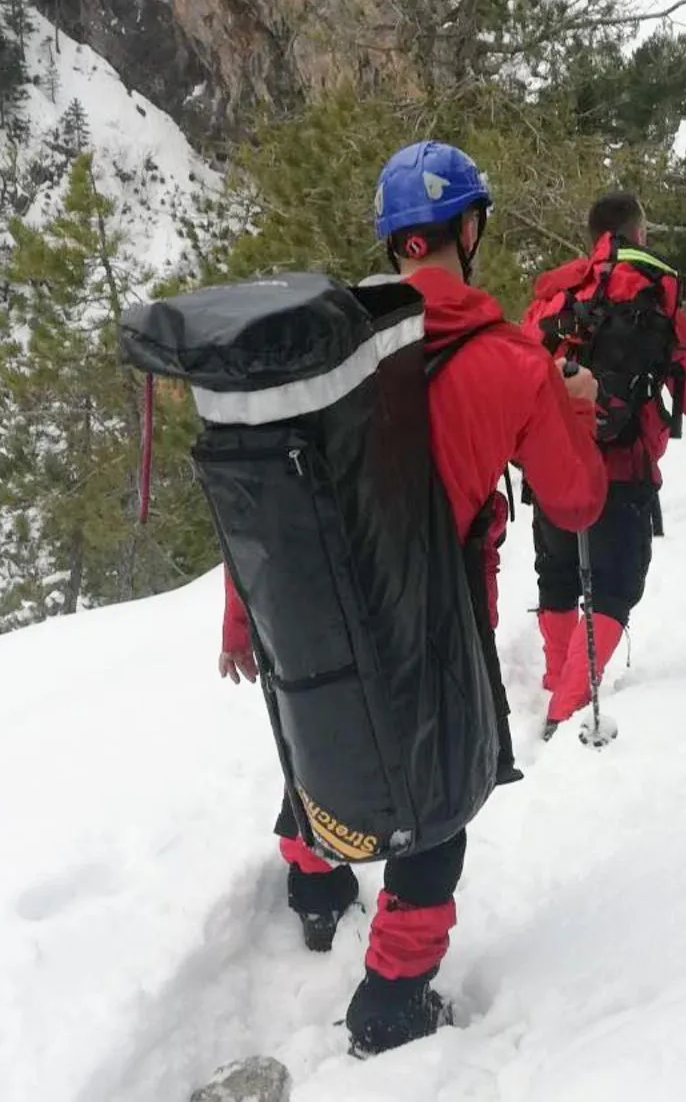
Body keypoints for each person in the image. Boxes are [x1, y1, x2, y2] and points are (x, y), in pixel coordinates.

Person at [217, 140, 607, 1056]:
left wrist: (244, 621)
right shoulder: (513, 363)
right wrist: (575, 402)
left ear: (395, 245)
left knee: (329, 723)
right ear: (467, 230)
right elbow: (576, 500)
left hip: (310, 609)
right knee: (435, 808)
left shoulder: (323, 349)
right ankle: (390, 1000)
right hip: (440, 612)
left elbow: (275, 504)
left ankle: (315, 888)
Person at [520, 191, 686, 737]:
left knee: (556, 576)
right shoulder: (653, 299)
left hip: (553, 468)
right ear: (640, 233)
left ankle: (556, 678)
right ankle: (567, 708)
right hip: (622, 472)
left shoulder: (554, 296)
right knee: (614, 588)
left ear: (593, 237)